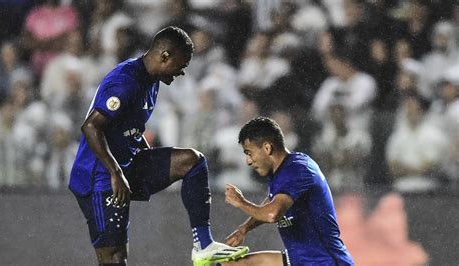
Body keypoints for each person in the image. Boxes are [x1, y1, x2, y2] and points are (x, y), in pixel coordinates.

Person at [69, 26, 248, 266]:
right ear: (165, 56)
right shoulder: (125, 81)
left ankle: (203, 246)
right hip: (99, 176)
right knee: (113, 257)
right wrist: (115, 172)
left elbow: (129, 126)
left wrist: (147, 159)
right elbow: (91, 127)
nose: (182, 72)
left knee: (192, 162)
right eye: (181, 65)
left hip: (127, 164)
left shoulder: (151, 80)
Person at [223, 117, 354, 265]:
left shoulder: (298, 169)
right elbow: (272, 202)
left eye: (249, 153)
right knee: (232, 264)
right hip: (299, 260)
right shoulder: (281, 172)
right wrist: (244, 228)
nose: (248, 161)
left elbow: (273, 213)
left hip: (326, 262)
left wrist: (241, 202)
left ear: (267, 148)